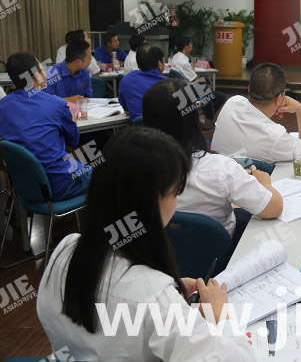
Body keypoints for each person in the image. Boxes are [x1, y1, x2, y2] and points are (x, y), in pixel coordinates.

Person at [36, 127, 256, 361]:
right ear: (152, 203)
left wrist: (168, 295)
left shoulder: (65, 249)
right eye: (175, 193)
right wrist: (220, 317)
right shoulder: (153, 296)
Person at [143, 79, 283, 246]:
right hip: (220, 254)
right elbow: (274, 208)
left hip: (160, 254)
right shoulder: (222, 169)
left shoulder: (131, 169)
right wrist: (265, 184)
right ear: (195, 118)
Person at [0, 52, 91, 200]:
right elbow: (73, 141)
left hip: (25, 187)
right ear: (37, 76)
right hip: (60, 184)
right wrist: (71, 120)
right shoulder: (56, 104)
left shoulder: (3, 106)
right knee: (101, 168)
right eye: (42, 69)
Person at [212, 63, 301, 163]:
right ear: (279, 98)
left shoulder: (232, 102)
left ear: (249, 89)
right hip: (249, 176)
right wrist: (299, 109)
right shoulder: (275, 137)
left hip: (217, 170)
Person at [171, 35, 227, 121]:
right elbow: (195, 79)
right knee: (221, 97)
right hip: (191, 89)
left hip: (181, 88)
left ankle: (200, 116)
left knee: (209, 90)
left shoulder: (175, 57)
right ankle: (202, 116)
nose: (191, 46)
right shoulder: (184, 62)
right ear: (186, 47)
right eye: (190, 44)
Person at [117, 44, 167, 121]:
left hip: (138, 128)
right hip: (165, 128)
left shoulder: (126, 80)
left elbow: (126, 110)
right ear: (159, 64)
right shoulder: (172, 85)